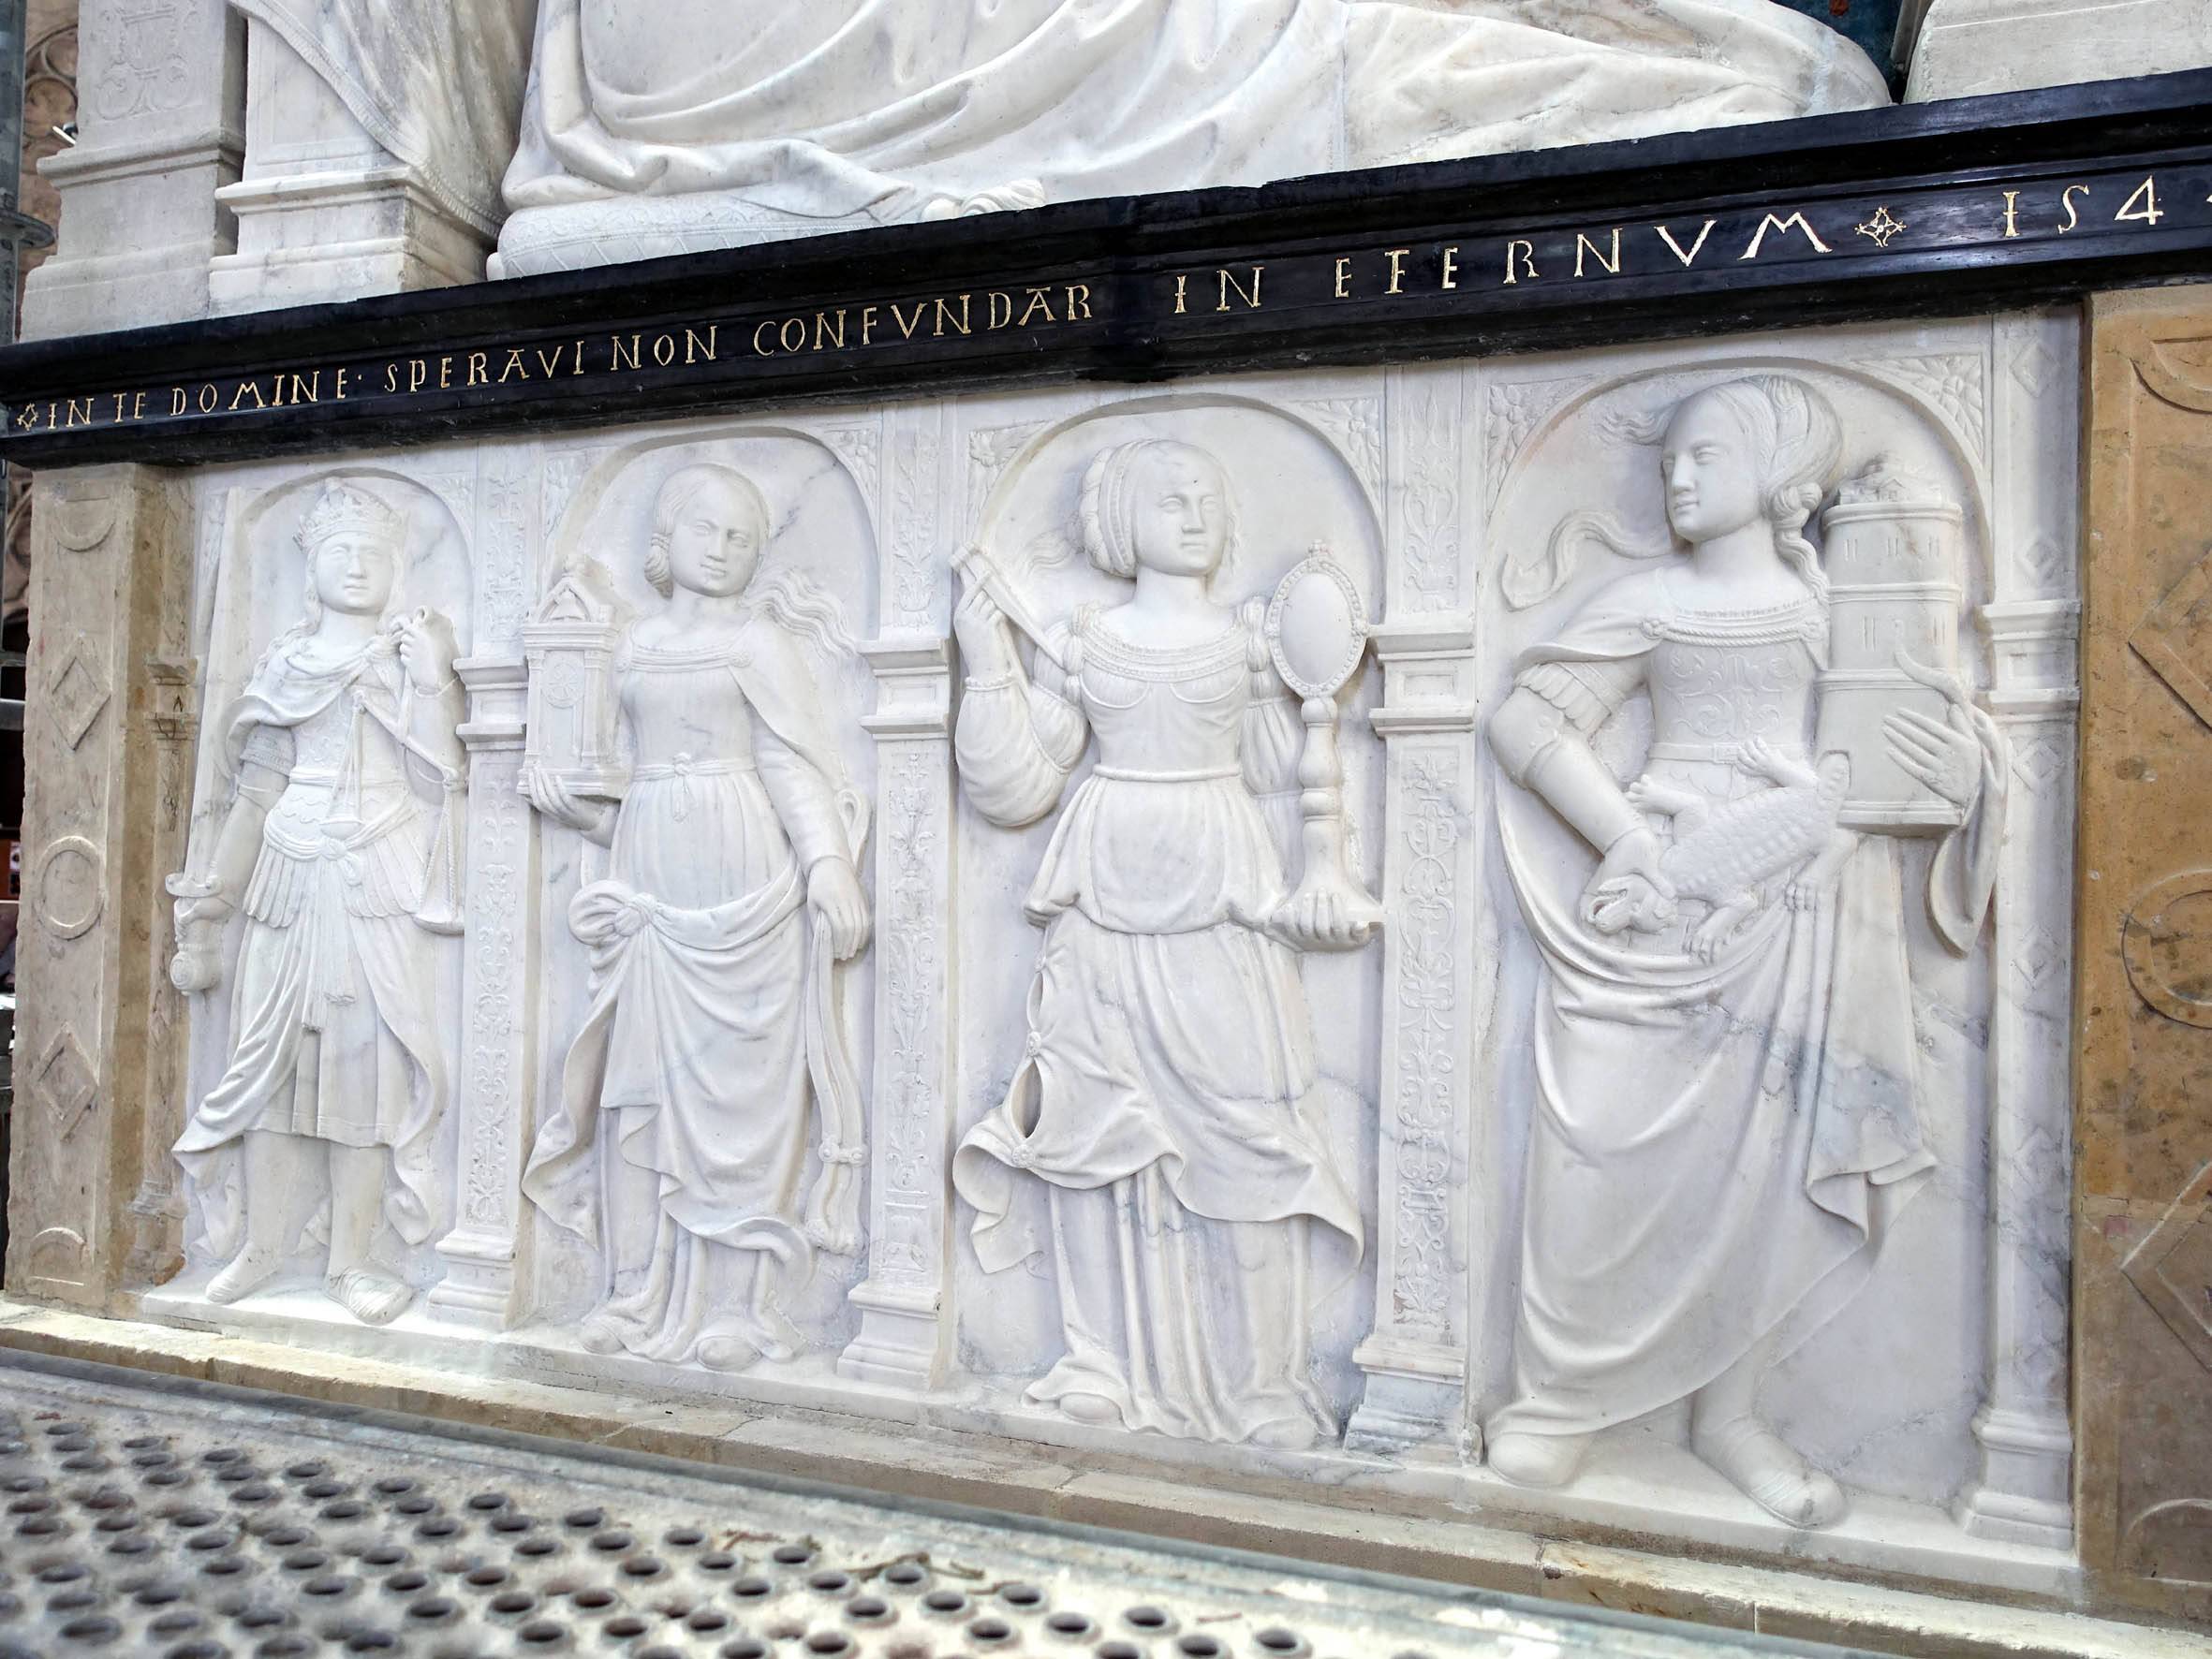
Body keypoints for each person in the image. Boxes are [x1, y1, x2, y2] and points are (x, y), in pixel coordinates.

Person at [1483, 376, 2004, 1527]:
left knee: (1772, 1161)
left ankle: (1729, 1414)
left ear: (1776, 473)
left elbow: (1913, 742)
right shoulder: (1649, 599)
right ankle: (1559, 1396)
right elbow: (1525, 717)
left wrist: (1949, 773)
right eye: (1668, 457)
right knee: (1595, 1141)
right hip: (1662, 890)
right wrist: (1627, 839)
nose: (1676, 477)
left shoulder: (1837, 612)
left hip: (1807, 899)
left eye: (1704, 455)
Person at [950, 437, 1366, 1450]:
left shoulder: (1246, 641)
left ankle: (1263, 1381)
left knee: (1248, 1133)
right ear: (1117, 522)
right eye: (1167, 498)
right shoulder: (1085, 642)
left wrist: (1318, 845)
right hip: (1099, 898)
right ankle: (1099, 1361)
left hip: (1219, 897)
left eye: (1205, 495)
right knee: (1091, 1132)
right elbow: (1014, 788)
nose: (1192, 512)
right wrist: (988, 661)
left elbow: (1282, 771)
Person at [521, 463, 871, 1373]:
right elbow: (615, 776)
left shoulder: (759, 645)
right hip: (648, 873)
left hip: (743, 874)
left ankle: (736, 1307)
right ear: (665, 539)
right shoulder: (631, 646)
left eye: (739, 537)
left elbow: (791, 764)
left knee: (738, 1097)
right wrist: (578, 812)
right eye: (705, 529)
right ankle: (633, 1293)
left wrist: (828, 862)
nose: (721, 548)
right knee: (638, 1089)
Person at [170, 481, 465, 1327]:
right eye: (341, 551)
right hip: (289, 879)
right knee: (270, 1066)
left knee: (365, 1077)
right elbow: (255, 795)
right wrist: (213, 903)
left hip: (376, 874)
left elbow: (443, 775)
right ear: (312, 568)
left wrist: (431, 684)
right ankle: (263, 1246)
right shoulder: (286, 666)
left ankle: (352, 1261)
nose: (358, 565)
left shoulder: (405, 661)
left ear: (397, 567)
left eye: (374, 553)